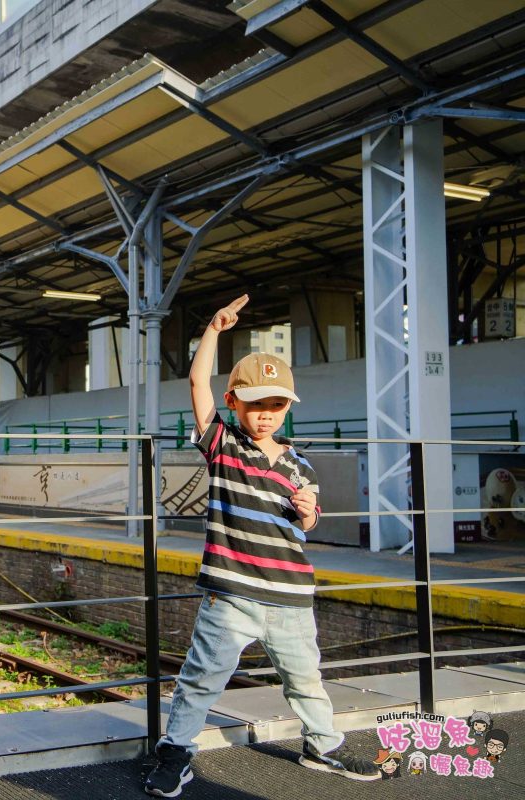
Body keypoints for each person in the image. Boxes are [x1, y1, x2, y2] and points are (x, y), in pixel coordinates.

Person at [144, 295, 379, 797]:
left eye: (276, 405)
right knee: (201, 677)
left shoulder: (299, 464)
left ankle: (323, 746)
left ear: (288, 407)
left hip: (291, 597)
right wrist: (212, 330)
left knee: (305, 679)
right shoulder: (222, 446)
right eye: (255, 404)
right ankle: (177, 752)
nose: (265, 414)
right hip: (230, 594)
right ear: (234, 403)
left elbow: (310, 516)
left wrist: (307, 510)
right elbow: (196, 383)